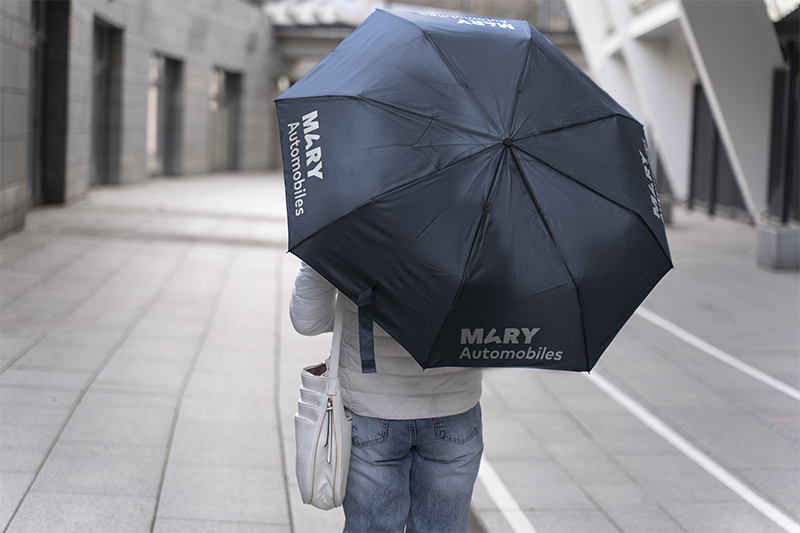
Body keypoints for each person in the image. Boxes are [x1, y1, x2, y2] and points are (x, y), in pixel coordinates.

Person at [290, 260, 484, 532]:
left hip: (371, 408)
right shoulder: (483, 228)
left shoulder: (353, 226)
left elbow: (308, 319)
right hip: (454, 407)